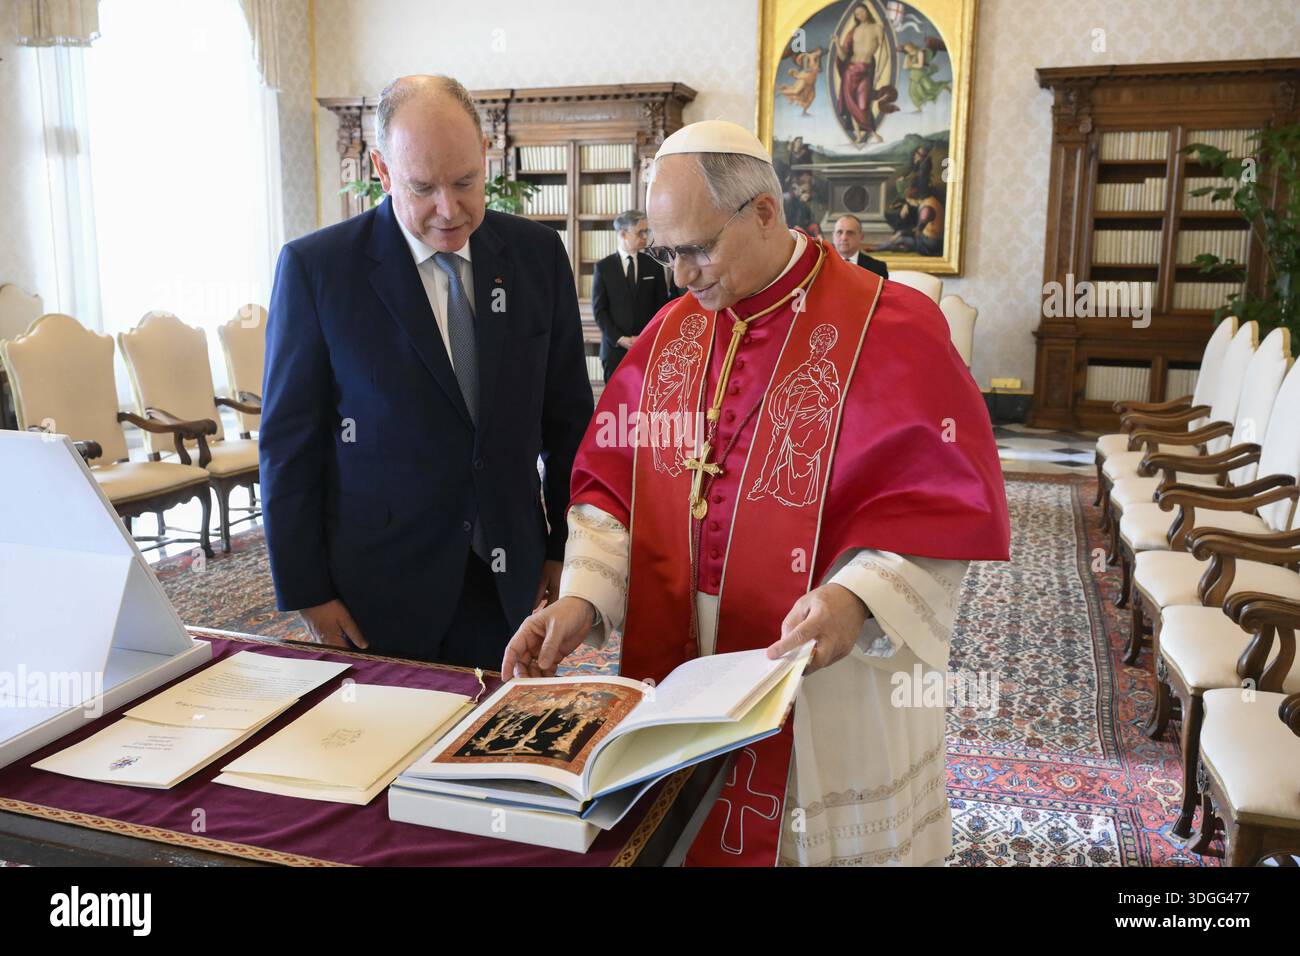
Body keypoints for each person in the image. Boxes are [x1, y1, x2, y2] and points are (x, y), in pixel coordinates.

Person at [501, 120, 1009, 866]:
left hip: (826, 668)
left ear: (765, 212)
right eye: (668, 250)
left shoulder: (889, 326)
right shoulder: (668, 338)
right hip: (686, 662)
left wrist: (857, 598)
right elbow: (613, 491)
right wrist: (583, 598)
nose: (680, 275)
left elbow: (937, 507)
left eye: (698, 248)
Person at [260, 75, 593, 667]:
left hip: (509, 576)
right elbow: (289, 443)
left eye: (466, 182)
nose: (450, 208)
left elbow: (569, 421)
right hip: (377, 590)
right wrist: (308, 590)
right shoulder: (319, 270)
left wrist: (564, 549)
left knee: (498, 743)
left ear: (485, 156)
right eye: (423, 188)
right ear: (382, 172)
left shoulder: (537, 257)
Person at [591, 210, 670, 381]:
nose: (645, 237)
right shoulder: (603, 267)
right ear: (623, 234)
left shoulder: (653, 265)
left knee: (643, 403)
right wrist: (620, 339)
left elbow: (662, 306)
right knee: (615, 405)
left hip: (647, 347)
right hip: (614, 350)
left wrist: (646, 337)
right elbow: (599, 311)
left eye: (647, 231)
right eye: (640, 232)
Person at [831, 214, 889, 279]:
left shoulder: (878, 268)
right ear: (833, 236)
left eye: (850, 233)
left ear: (861, 236)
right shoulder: (821, 265)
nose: (844, 237)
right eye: (839, 232)